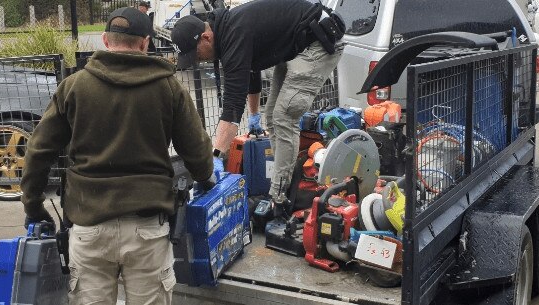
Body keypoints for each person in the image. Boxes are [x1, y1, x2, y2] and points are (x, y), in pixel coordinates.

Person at [20, 7, 215, 304]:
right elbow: (198, 154)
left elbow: (39, 150)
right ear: (145, 43)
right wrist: (205, 179)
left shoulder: (73, 87)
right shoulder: (169, 87)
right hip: (148, 229)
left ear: (105, 41)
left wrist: (33, 205)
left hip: (89, 226)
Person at [171, 0, 345, 209]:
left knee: (284, 117)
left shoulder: (233, 35)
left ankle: (280, 197)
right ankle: (284, 182)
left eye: (196, 54)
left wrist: (215, 157)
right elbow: (251, 76)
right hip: (297, 44)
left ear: (206, 38)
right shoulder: (227, 33)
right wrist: (254, 116)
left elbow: (232, 108)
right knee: (270, 117)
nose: (198, 61)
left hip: (318, 41)